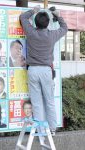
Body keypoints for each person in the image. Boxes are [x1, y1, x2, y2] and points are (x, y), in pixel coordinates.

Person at [20, 6, 68, 135]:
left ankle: (41, 130)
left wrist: (33, 11)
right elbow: (64, 28)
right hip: (46, 71)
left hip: (33, 71)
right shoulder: (52, 35)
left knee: (36, 102)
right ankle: (52, 129)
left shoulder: (31, 32)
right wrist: (57, 15)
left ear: (35, 22)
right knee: (49, 100)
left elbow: (23, 17)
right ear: (48, 23)